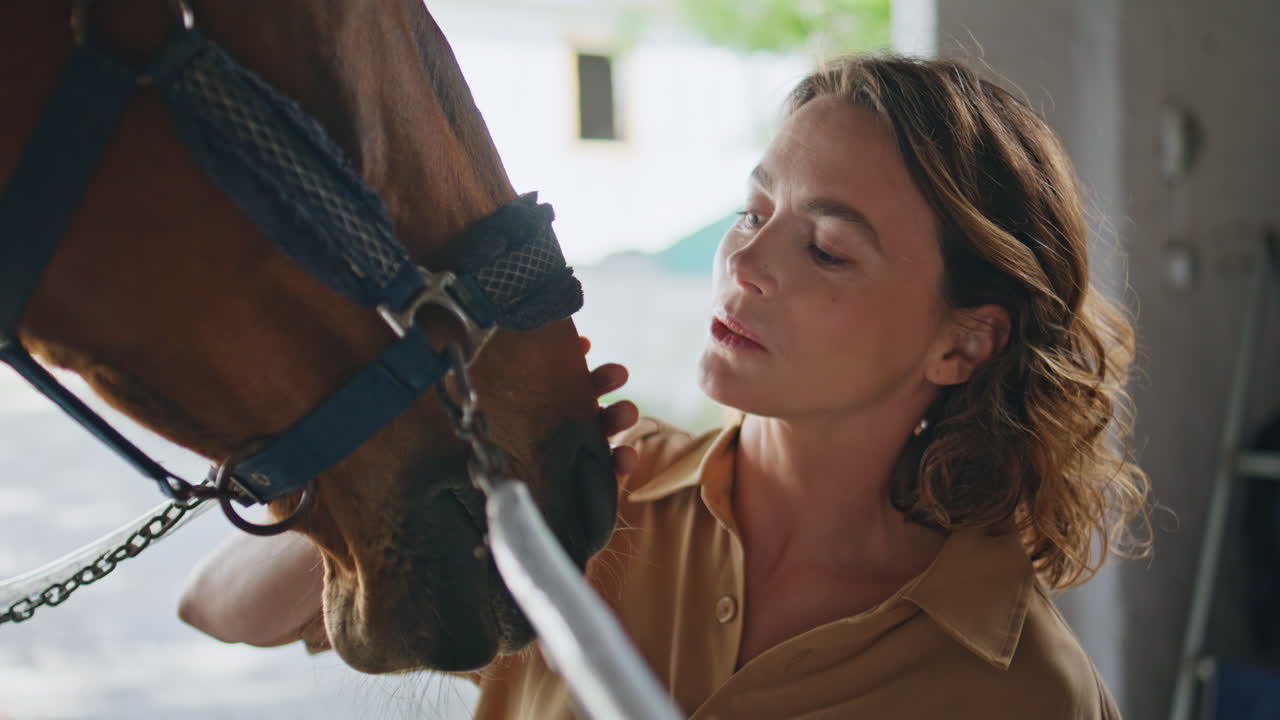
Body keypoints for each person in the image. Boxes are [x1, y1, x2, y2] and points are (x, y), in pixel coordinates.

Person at [180, 54, 1150, 719]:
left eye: (823, 247)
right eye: (752, 207)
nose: (747, 260)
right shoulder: (594, 494)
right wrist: (436, 457)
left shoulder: (1015, 685)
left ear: (961, 344)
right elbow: (223, 610)